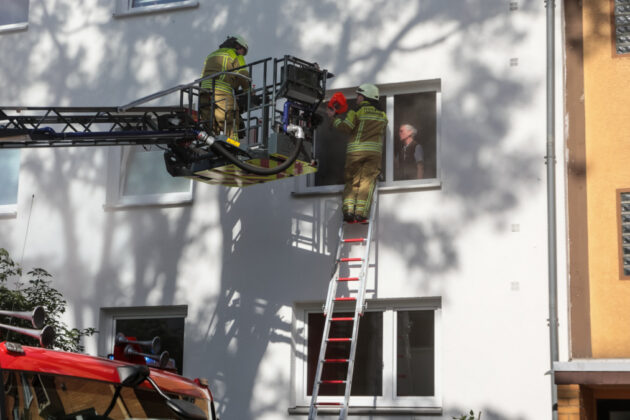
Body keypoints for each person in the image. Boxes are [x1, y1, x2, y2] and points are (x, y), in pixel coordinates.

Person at [326, 84, 388, 223]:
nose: (357, 98)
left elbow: (346, 127)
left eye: (359, 95)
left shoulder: (357, 111)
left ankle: (348, 211)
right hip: (374, 154)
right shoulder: (383, 115)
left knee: (351, 181)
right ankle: (361, 213)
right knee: (367, 182)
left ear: (366, 96)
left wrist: (333, 118)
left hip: (356, 152)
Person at [199, 35, 250, 140]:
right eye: (242, 51)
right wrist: (248, 91)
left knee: (210, 124)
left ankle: (213, 148)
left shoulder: (211, 55)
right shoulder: (235, 55)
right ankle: (234, 147)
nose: (242, 54)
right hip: (221, 92)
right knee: (230, 123)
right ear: (237, 45)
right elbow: (243, 74)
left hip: (204, 92)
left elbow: (203, 74)